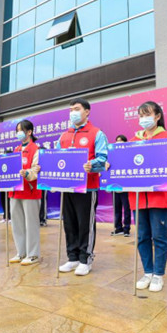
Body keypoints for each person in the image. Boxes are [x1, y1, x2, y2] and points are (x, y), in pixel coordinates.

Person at [129, 101, 167, 293]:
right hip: (138, 197)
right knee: (142, 237)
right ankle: (148, 272)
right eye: (141, 115)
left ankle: (158, 275)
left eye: (147, 114)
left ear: (158, 116)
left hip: (160, 197)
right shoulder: (133, 140)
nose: (144, 119)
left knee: (159, 237)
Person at [55, 98, 108, 276]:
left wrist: (91, 165)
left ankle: (86, 259)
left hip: (87, 188)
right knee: (69, 223)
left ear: (87, 111)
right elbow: (56, 158)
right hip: (67, 187)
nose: (73, 113)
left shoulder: (96, 133)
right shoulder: (64, 136)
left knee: (85, 224)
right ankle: (73, 257)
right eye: (71, 110)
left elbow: (103, 159)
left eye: (76, 109)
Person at [8, 120, 42, 266]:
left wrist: (27, 173)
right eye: (17, 131)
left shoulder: (36, 149)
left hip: (30, 192)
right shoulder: (16, 150)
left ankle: (33, 254)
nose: (18, 133)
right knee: (17, 224)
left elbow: (36, 169)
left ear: (29, 132)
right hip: (15, 192)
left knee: (31, 224)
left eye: (21, 130)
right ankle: (21, 252)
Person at [107, 134, 131, 237]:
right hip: (115, 187)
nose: (118, 142)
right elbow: (107, 169)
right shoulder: (112, 155)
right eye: (117, 140)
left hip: (125, 187)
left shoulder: (129, 155)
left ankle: (126, 229)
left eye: (121, 140)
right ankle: (118, 228)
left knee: (126, 209)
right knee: (117, 209)